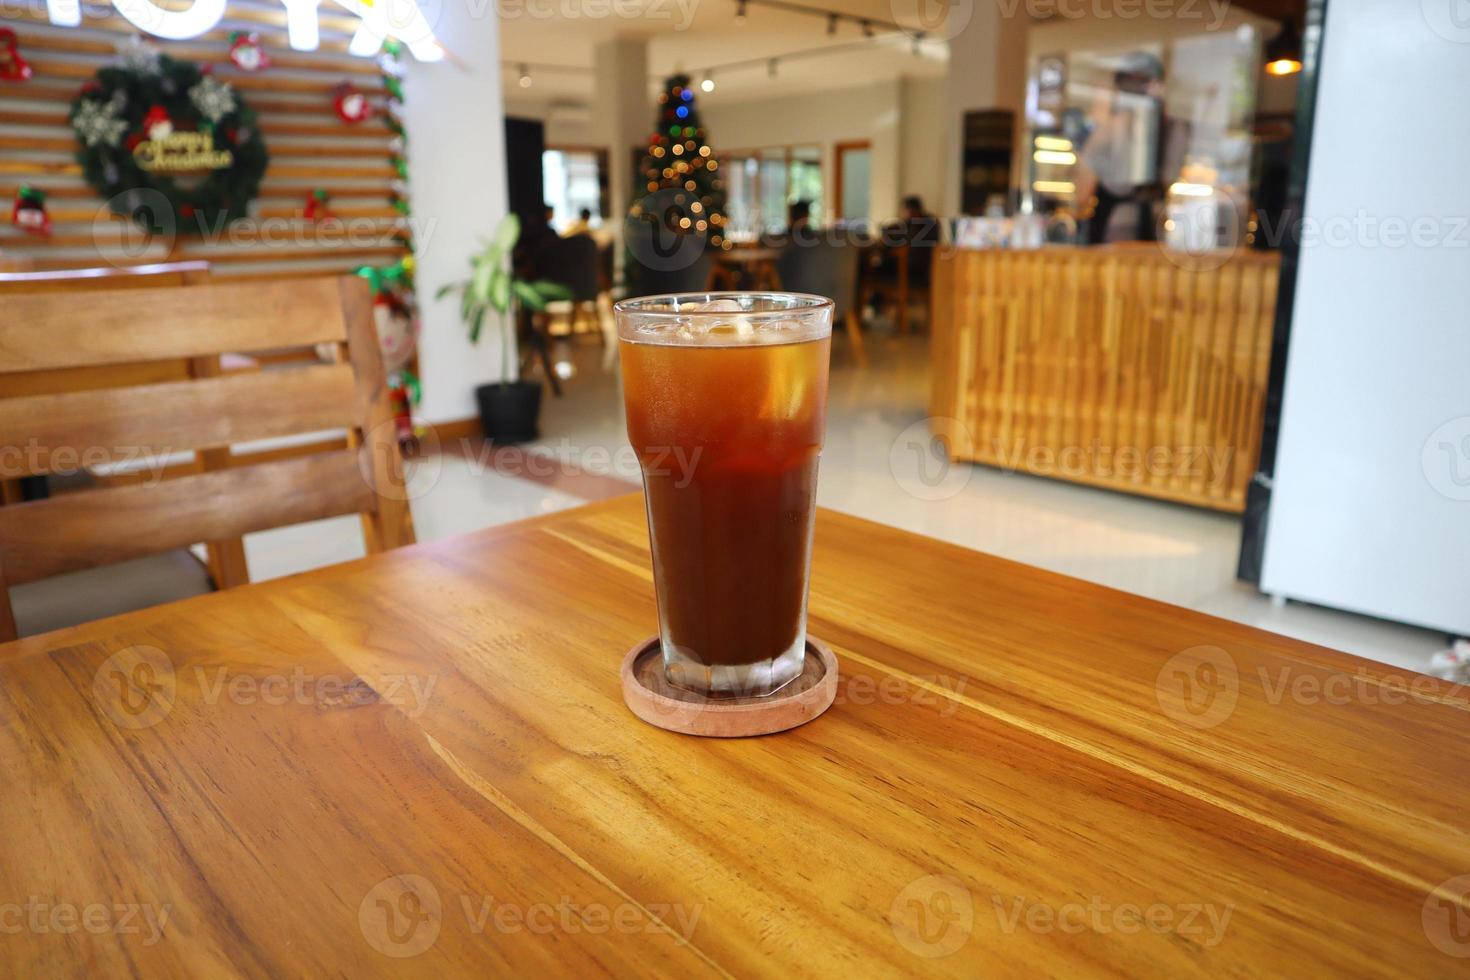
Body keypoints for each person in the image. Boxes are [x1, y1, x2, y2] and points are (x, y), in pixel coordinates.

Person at [1074, 52, 1189, 244]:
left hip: (1115, 231)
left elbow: (1082, 194)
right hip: (1153, 231)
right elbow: (1170, 180)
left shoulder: (1108, 129)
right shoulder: (1176, 131)